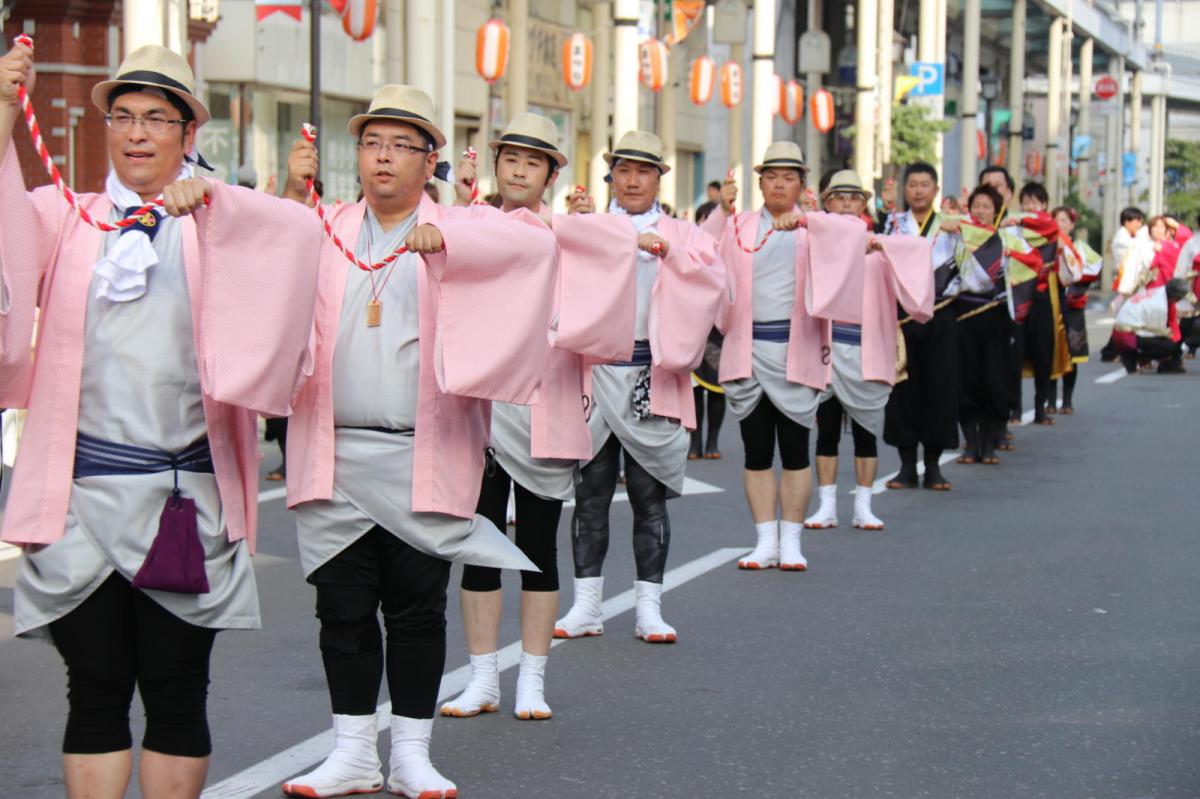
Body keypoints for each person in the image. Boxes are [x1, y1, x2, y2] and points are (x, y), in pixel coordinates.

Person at [0, 42, 322, 799]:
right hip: (80, 498)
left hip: (184, 500)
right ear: (104, 125)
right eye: (123, 116)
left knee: (177, 689)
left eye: (156, 118)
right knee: (95, 687)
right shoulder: (65, 216)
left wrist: (216, 202)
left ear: (186, 132)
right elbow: (5, 243)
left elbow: (299, 242)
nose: (137, 133)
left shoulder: (218, 221)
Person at [278, 85, 559, 799]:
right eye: (374, 142)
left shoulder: (462, 224)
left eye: (403, 145)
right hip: (335, 451)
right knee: (341, 608)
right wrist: (287, 187)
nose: (384, 157)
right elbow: (268, 250)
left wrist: (454, 238)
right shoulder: (332, 223)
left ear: (430, 159)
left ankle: (409, 749)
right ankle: (350, 750)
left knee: (414, 607)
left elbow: (533, 242)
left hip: (420, 454)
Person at [438, 112, 639, 721]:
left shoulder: (566, 231)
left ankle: (531, 678)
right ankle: (482, 679)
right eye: (511, 159)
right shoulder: (471, 221)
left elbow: (616, 251)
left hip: (541, 403)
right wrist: (460, 201)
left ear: (552, 172)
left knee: (538, 547)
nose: (519, 169)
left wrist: (567, 222)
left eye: (534, 161)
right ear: (496, 165)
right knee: (478, 544)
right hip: (479, 410)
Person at [553, 130, 725, 644]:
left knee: (650, 498)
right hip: (596, 370)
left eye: (643, 171)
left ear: (658, 178)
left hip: (654, 372)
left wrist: (667, 251)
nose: (632, 180)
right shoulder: (590, 227)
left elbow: (712, 279)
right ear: (611, 176)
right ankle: (586, 604)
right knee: (591, 495)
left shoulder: (684, 232)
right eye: (624, 170)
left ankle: (650, 606)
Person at [699, 141, 820, 570]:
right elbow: (701, 251)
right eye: (771, 176)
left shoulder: (815, 227)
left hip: (795, 351)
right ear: (760, 182)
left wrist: (810, 220)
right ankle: (765, 539)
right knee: (755, 451)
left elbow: (849, 244)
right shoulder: (740, 225)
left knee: (795, 450)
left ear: (801, 184)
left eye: (788, 177)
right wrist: (721, 209)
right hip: (748, 350)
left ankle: (792, 541)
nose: (779, 184)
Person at [802, 170, 934, 532]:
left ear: (864, 204)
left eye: (853, 197)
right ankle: (826, 504)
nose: (846, 203)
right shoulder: (816, 243)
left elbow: (920, 251)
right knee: (826, 430)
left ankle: (863, 504)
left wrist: (884, 246)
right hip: (827, 349)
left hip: (865, 349)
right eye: (839, 196)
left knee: (865, 430)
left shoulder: (881, 244)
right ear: (827, 202)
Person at [881, 162, 959, 491]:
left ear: (935, 190)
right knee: (903, 389)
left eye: (924, 184)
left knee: (939, 388)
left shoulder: (952, 226)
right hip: (902, 316)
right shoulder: (893, 223)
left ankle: (934, 464)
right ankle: (906, 465)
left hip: (940, 313)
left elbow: (968, 267)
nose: (917, 190)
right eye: (912, 184)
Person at [1049, 207, 1103, 411]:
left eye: (1064, 220)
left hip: (1073, 306)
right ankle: (1050, 400)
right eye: (1056, 219)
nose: (1059, 224)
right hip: (1052, 303)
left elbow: (1094, 268)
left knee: (1073, 353)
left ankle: (1067, 400)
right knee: (1052, 351)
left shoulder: (1079, 247)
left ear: (1071, 225)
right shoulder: (1046, 244)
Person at [689, 328, 726, 460]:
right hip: (692, 334)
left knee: (717, 390)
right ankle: (695, 442)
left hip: (717, 335)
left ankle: (712, 442)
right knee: (694, 391)